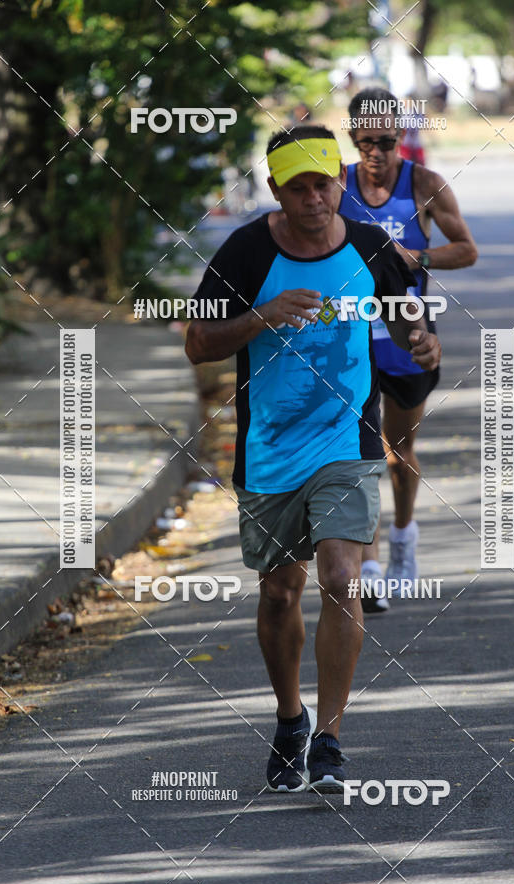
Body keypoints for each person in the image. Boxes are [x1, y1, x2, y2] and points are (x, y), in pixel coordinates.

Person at [185, 124, 441, 793]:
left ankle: (328, 738)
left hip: (346, 441)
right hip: (270, 447)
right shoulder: (244, 253)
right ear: (275, 190)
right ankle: (290, 718)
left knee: (339, 574)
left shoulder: (369, 244)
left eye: (323, 183)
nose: (313, 198)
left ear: (339, 180)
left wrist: (420, 343)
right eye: (297, 187)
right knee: (278, 594)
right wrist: (261, 317)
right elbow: (197, 344)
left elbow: (401, 314)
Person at [339, 87, 477, 612]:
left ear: (402, 138)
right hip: (351, 338)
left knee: (399, 452)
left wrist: (414, 255)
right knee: (359, 453)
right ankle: (368, 566)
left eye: (388, 141)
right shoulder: (337, 186)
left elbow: (466, 249)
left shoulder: (424, 185)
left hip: (408, 340)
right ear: (352, 137)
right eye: (367, 141)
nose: (377, 152)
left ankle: (403, 542)